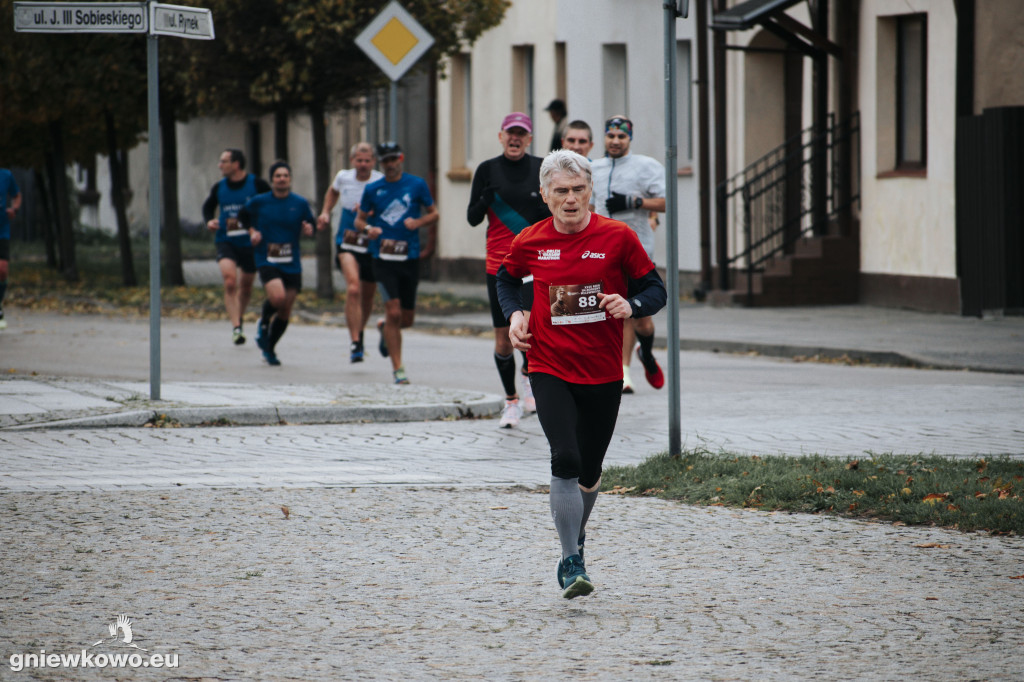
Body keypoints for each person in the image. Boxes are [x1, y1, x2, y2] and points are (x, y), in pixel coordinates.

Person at [495, 149, 667, 599]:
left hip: (603, 371)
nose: (571, 200)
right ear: (545, 195)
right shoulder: (529, 240)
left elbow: (654, 288)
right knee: (565, 459)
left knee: (590, 470)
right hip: (549, 366)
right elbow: (506, 280)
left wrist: (632, 305)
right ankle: (571, 560)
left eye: (578, 190)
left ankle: (576, 537)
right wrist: (515, 315)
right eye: (561, 192)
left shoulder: (618, 237)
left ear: (590, 191)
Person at [467, 112, 551, 427]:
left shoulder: (542, 168)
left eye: (522, 134)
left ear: (529, 139)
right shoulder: (487, 171)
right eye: (510, 133)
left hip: (534, 263)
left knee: (528, 329)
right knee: (503, 339)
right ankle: (511, 401)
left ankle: (529, 376)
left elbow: (552, 212)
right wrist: (486, 198)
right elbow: (472, 218)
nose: (515, 139)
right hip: (498, 266)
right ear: (501, 136)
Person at [591, 115, 667, 394]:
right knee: (617, 315)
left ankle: (646, 354)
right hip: (601, 254)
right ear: (604, 138)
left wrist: (635, 202)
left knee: (642, 320)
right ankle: (622, 373)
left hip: (638, 252)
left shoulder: (645, 166)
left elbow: (666, 202)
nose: (615, 141)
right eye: (611, 136)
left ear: (629, 139)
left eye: (621, 136)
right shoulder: (593, 168)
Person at [355, 142, 438, 385]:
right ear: (381, 163)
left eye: (394, 159)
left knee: (406, 319)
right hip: (382, 259)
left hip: (409, 258)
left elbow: (435, 214)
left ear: (400, 159)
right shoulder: (373, 189)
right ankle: (398, 369)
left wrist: (418, 222)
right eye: (386, 161)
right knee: (393, 311)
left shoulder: (416, 184)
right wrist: (369, 229)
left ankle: (384, 327)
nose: (390, 165)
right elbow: (360, 221)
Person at [237, 160, 320, 366]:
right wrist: (252, 231)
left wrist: (309, 229)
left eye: (285, 176)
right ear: (272, 180)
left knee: (285, 310)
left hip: (291, 260)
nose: (282, 179)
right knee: (278, 297)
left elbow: (311, 224)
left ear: (290, 179)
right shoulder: (259, 201)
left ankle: (269, 349)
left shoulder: (299, 203)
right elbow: (242, 216)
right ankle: (263, 322)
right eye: (278, 176)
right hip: (267, 257)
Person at [317, 142, 385, 363]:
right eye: (359, 160)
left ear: (373, 162)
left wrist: (370, 211)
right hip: (347, 242)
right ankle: (355, 341)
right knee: (353, 287)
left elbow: (385, 206)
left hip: (370, 244)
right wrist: (326, 212)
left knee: (367, 295)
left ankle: (360, 331)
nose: (363, 164)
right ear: (352, 161)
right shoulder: (343, 177)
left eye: (367, 161)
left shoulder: (378, 181)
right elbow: (332, 192)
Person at [202, 149, 271, 346]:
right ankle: (236, 327)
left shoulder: (256, 184)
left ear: (236, 164)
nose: (220, 165)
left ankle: (238, 318)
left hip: (250, 243)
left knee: (246, 285)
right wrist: (209, 221)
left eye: (224, 161)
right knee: (230, 281)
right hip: (226, 240)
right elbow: (208, 207)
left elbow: (270, 203)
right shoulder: (219, 187)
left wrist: (262, 227)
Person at [0, 167, 22, 330]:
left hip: (2, 230)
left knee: (2, 270)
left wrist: (14, 209)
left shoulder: (6, 175)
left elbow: (17, 196)